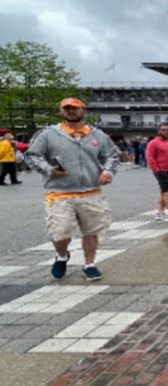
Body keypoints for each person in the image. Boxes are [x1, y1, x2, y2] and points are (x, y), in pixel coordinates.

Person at [25, 97, 117, 281]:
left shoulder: (98, 135)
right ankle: (62, 255)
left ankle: (89, 264)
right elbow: (32, 155)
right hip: (60, 193)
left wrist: (108, 171)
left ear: (84, 110)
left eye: (74, 108)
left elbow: (111, 156)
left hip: (91, 192)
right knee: (60, 232)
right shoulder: (49, 134)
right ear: (61, 111)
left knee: (91, 231)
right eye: (66, 108)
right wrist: (49, 169)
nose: (70, 111)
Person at [145, 123, 168, 222]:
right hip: (162, 171)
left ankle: (160, 213)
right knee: (167, 193)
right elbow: (150, 158)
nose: (166, 132)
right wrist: (157, 171)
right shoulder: (153, 143)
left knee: (165, 192)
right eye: (163, 130)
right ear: (159, 131)